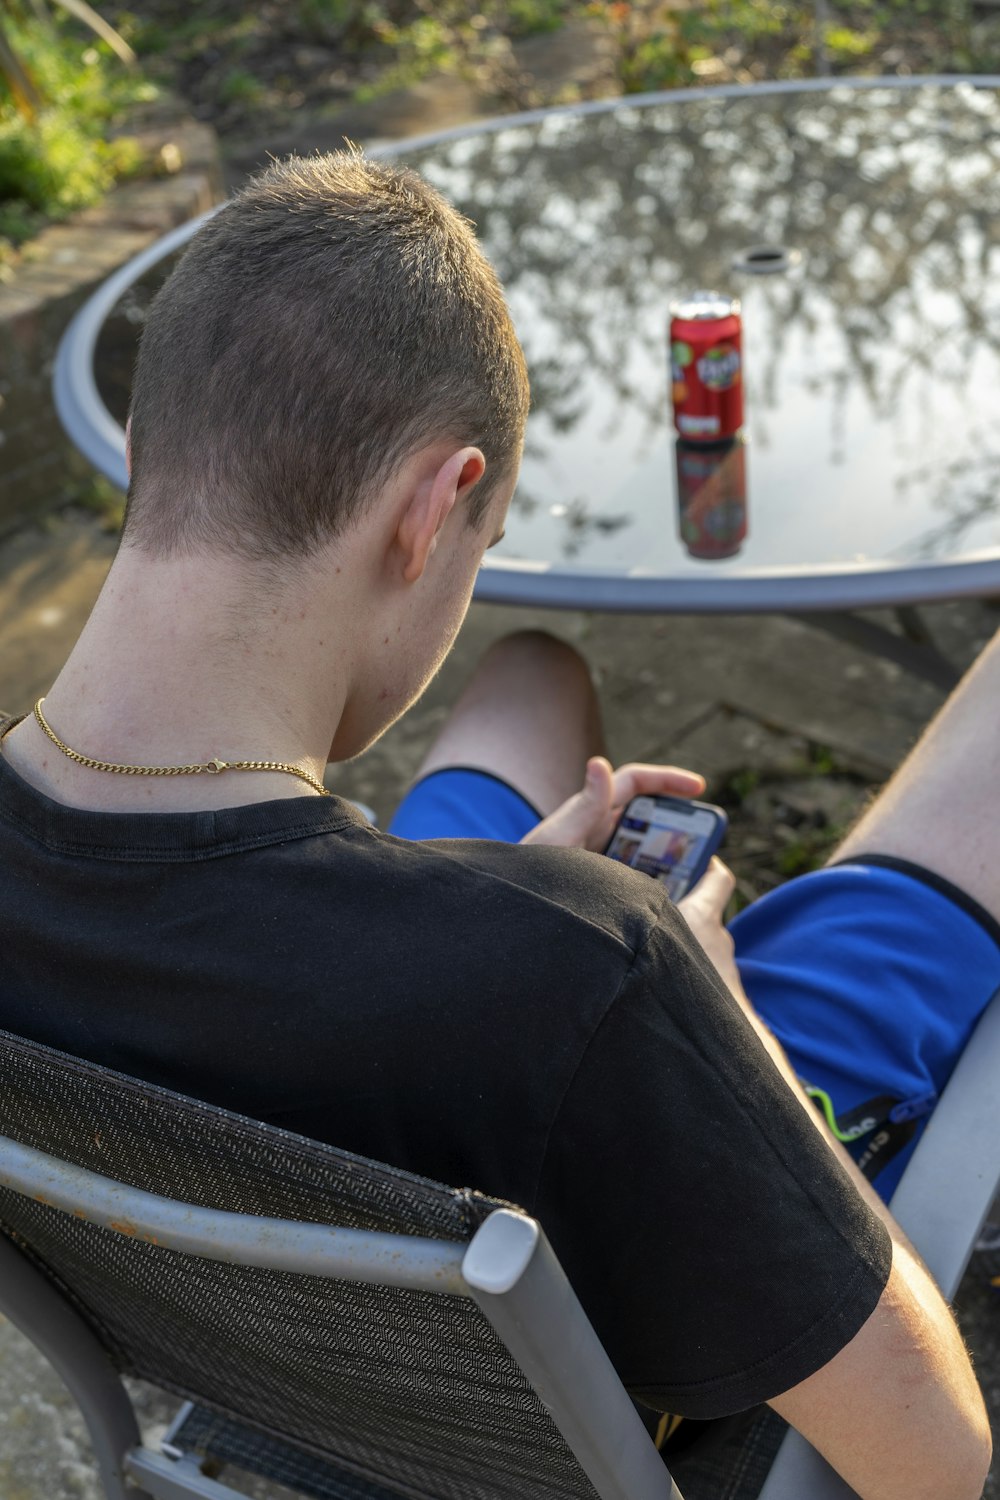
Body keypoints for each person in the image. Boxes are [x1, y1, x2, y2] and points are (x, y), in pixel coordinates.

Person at [0, 151, 992, 1500]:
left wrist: (487, 905)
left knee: (525, 678)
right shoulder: (595, 973)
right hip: (621, 1354)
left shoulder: (537, 955)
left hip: (292, 1364)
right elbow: (940, 1465)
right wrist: (729, 1031)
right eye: (478, 542)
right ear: (426, 508)